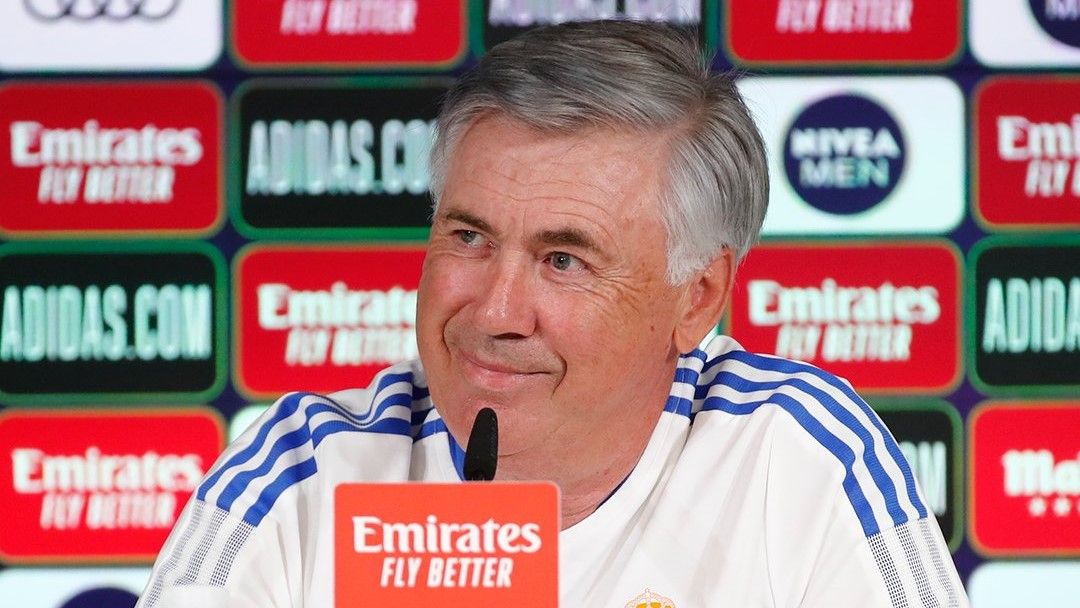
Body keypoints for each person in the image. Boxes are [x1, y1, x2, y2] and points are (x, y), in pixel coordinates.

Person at [137, 20, 968, 607]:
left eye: (563, 260)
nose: (495, 309)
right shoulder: (304, 473)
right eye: (468, 236)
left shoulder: (799, 455)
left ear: (698, 298)